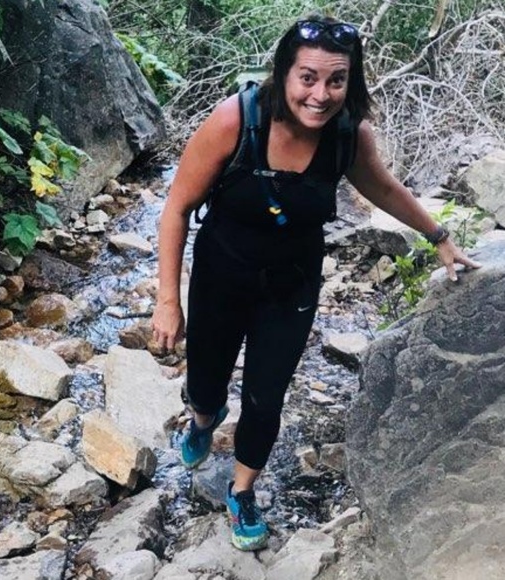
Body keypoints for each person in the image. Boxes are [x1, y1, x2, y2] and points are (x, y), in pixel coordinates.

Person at [151, 15, 480, 551]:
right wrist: (168, 299)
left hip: (292, 285)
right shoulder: (236, 120)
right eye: (307, 77)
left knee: (266, 395)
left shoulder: (348, 136)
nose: (320, 95)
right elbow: (177, 208)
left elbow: (384, 189)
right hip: (220, 276)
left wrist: (439, 236)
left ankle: (242, 491)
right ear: (284, 72)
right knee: (207, 382)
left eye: (336, 80)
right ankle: (205, 419)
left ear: (351, 81)